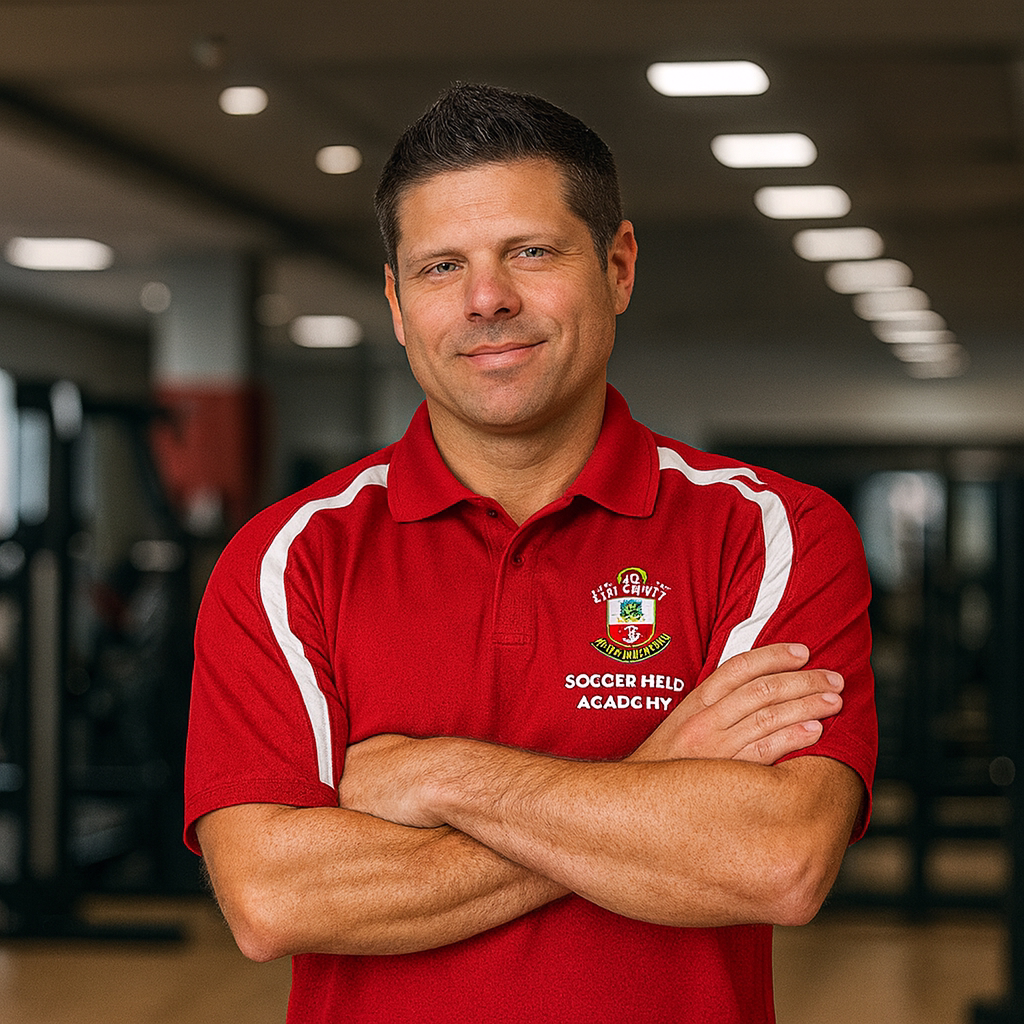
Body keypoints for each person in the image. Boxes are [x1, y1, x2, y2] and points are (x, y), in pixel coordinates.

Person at [185, 83, 876, 1023]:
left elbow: (774, 861)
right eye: (439, 268)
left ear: (619, 266)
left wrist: (433, 776)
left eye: (531, 251)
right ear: (395, 302)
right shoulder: (289, 559)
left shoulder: (769, 532)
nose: (486, 300)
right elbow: (276, 899)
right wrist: (653, 782)